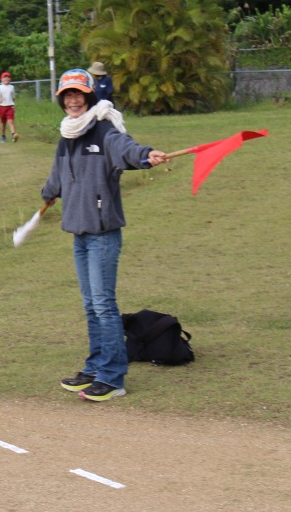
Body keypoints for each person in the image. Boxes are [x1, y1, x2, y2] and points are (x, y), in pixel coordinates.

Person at [41, 69, 168, 402]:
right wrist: (50, 191)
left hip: (102, 233)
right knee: (90, 306)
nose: (72, 100)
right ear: (61, 100)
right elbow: (58, 171)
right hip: (78, 234)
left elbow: (126, 149)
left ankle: (113, 378)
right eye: (67, 95)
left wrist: (146, 155)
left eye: (78, 95)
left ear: (89, 97)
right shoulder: (67, 135)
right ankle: (96, 367)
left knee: (104, 305)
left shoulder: (104, 130)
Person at [0, 71, 18, 143]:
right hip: (2, 107)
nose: (6, 79)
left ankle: (13, 135)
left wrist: (13, 104)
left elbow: (13, 96)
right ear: (1, 79)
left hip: (10, 107)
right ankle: (3, 136)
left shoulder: (11, 87)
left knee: (11, 121)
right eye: (5, 77)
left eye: (8, 77)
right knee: (3, 123)